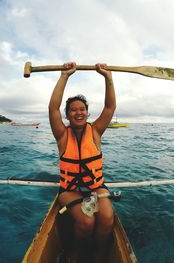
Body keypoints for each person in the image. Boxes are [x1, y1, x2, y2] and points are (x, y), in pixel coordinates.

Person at [48, 62, 116, 262]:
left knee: (106, 218)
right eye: (73, 110)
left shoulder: (95, 131)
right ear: (67, 115)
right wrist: (64, 76)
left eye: (82, 109)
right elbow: (53, 107)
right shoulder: (61, 134)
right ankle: (74, 255)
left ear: (87, 113)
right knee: (86, 222)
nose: (78, 113)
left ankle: (98, 256)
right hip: (70, 190)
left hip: (96, 187)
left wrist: (108, 77)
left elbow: (110, 106)